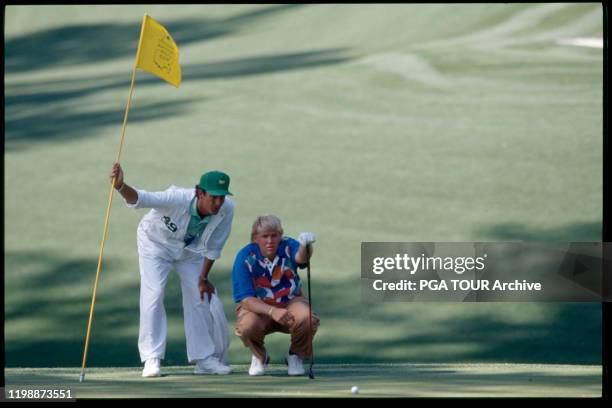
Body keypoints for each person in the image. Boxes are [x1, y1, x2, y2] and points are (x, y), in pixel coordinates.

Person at [109, 162, 234, 377]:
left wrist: (204, 278)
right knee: (154, 293)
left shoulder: (227, 209)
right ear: (199, 192)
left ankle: (203, 359)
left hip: (190, 252)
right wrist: (121, 186)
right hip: (154, 244)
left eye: (221, 196)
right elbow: (140, 199)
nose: (218, 202)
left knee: (199, 296)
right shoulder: (176, 197)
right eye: (213, 196)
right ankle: (151, 358)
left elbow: (214, 248)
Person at [231, 214, 319, 376]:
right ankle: (259, 356)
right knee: (246, 327)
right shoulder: (244, 257)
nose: (270, 241)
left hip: (290, 301)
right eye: (264, 236)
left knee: (307, 318)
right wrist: (272, 311)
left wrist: (305, 245)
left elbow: (301, 258)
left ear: (280, 235)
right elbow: (246, 300)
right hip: (259, 307)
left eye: (274, 236)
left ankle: (295, 356)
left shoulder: (287, 245)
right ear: (255, 238)